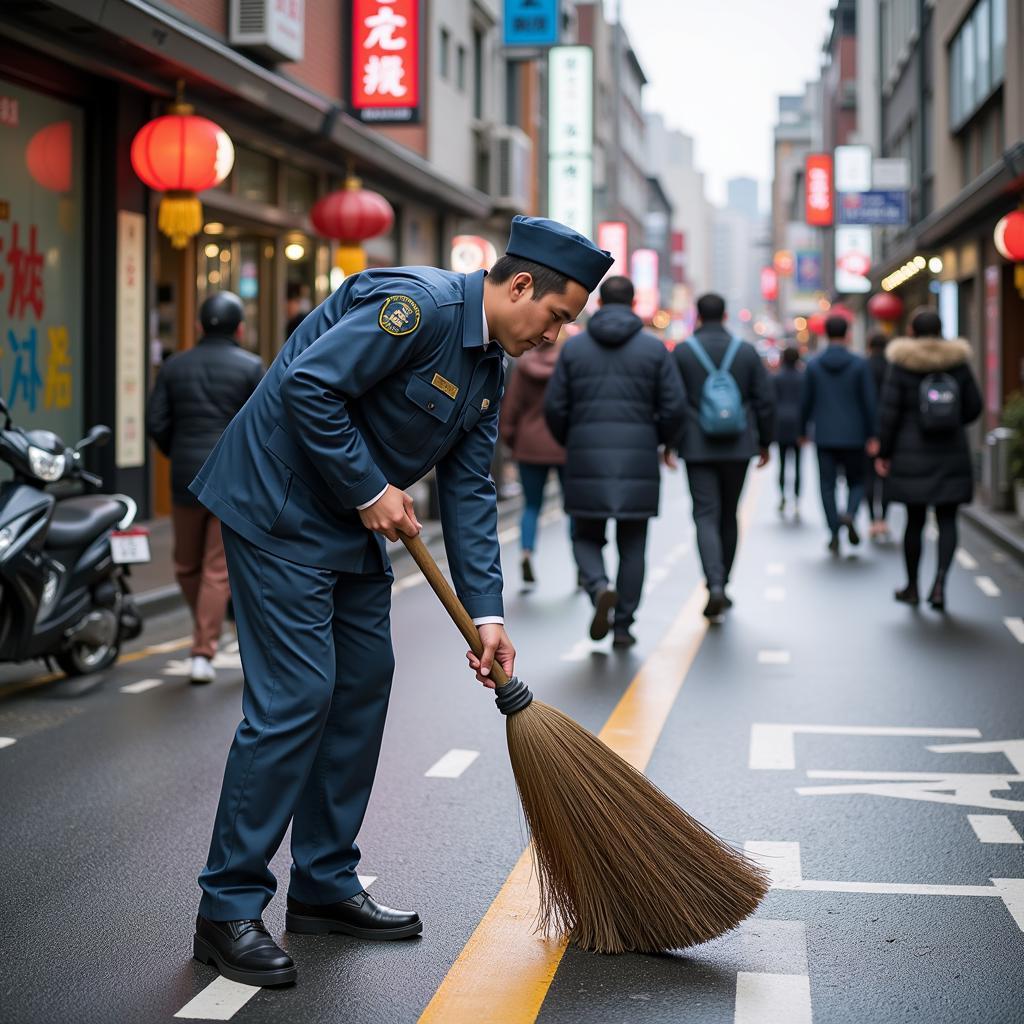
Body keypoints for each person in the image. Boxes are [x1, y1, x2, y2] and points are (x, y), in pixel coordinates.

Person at [187, 216, 612, 987]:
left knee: (360, 688)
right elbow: (307, 386)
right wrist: (369, 486)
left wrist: (489, 617)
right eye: (555, 315)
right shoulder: (416, 307)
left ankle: (322, 884)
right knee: (297, 698)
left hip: (351, 526)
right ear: (521, 285)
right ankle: (227, 908)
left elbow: (471, 489)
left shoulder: (491, 368)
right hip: (279, 506)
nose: (554, 335)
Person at [544, 275, 685, 648]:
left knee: (585, 535)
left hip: (585, 454)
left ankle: (598, 586)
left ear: (600, 304)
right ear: (635, 304)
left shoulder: (574, 350)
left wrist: (571, 439)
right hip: (639, 457)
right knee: (633, 544)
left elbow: (555, 406)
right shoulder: (654, 350)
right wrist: (663, 442)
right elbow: (674, 407)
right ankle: (623, 625)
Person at [146, 292, 264, 684]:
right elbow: (262, 424)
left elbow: (156, 422)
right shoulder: (251, 367)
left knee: (185, 564)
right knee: (217, 570)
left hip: (183, 476)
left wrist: (177, 451)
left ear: (198, 326)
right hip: (229, 477)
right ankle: (204, 647)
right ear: (240, 328)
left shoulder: (173, 366)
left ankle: (204, 637)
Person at [672, 293, 774, 619]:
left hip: (697, 446)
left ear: (697, 316)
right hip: (738, 446)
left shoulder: (684, 352)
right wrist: (765, 442)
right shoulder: (745, 351)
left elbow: (672, 400)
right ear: (726, 315)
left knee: (704, 515)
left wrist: (670, 443)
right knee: (729, 514)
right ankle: (724, 584)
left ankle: (713, 582)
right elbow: (764, 400)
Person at [875, 308, 982, 611]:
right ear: (940, 330)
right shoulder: (957, 362)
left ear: (911, 331)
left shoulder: (902, 363)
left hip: (911, 455)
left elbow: (889, 413)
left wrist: (883, 452)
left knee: (914, 521)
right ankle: (940, 585)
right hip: (951, 452)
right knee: (948, 520)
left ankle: (912, 586)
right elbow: (974, 407)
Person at [800, 314, 878, 556]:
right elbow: (870, 402)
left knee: (826, 486)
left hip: (824, 435)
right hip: (855, 435)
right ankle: (850, 514)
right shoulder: (860, 364)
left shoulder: (813, 365)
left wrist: (802, 431)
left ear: (824, 334)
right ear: (847, 334)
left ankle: (834, 531)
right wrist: (873, 434)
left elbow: (805, 402)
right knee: (857, 481)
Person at [498, 334, 567, 586]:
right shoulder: (565, 365)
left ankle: (527, 552)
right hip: (563, 444)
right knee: (571, 507)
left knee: (531, 505)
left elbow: (512, 407)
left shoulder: (525, 367)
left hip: (529, 444)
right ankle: (582, 565)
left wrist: (511, 440)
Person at [865, 332, 892, 541]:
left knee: (869, 476)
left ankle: (873, 520)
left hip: (867, 430)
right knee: (886, 476)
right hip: (889, 428)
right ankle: (883, 519)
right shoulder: (893, 368)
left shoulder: (863, 368)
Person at [772, 346, 804, 519]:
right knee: (799, 465)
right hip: (798, 424)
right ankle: (797, 500)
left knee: (783, 464)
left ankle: (783, 496)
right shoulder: (802, 378)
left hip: (781, 424)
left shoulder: (776, 378)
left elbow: (771, 402)